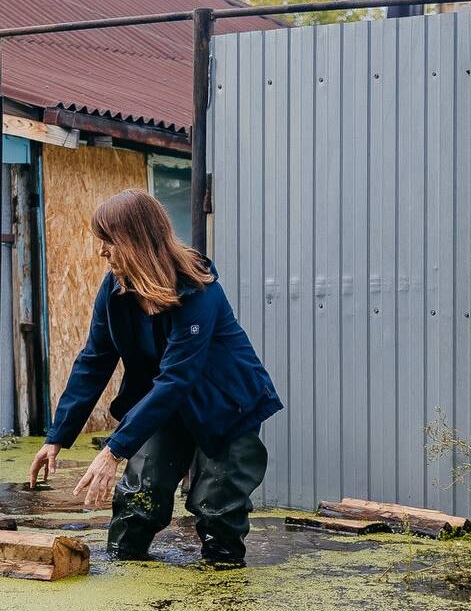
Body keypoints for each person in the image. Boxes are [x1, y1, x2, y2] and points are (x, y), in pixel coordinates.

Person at [29, 189, 282, 568]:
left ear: (135, 240)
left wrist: (114, 449)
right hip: (164, 405)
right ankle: (125, 571)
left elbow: (178, 378)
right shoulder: (114, 288)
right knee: (138, 496)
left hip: (226, 406)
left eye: (108, 242)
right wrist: (57, 437)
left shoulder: (197, 287)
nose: (102, 252)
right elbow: (94, 361)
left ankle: (224, 586)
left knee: (217, 506)